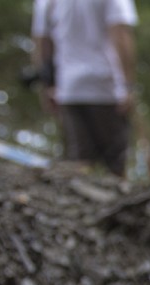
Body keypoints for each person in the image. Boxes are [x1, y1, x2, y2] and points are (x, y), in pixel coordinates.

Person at [31, 0, 138, 178]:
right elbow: (120, 34)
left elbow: (42, 43)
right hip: (107, 88)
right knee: (115, 164)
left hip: (69, 88)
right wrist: (128, 86)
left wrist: (47, 86)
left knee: (79, 161)